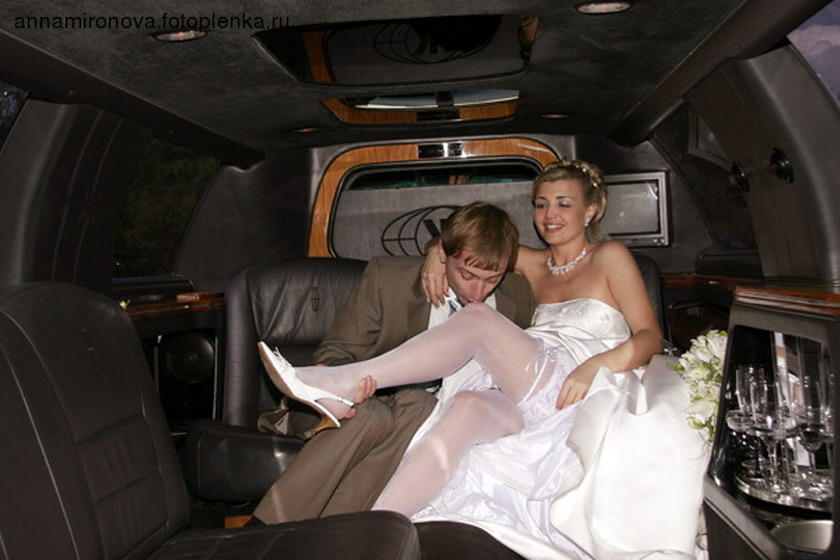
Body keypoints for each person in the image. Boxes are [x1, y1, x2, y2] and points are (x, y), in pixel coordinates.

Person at [259, 160, 695, 559]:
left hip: (581, 379)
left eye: (564, 203)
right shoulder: (531, 262)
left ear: (591, 209)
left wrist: (594, 367)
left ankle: (340, 383)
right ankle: (375, 539)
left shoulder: (610, 257)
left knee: (478, 318)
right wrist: (436, 254)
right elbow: (468, 245)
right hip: (522, 388)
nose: (550, 215)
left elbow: (650, 337)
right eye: (541, 204)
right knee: (465, 407)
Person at [252, 202, 535, 524]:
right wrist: (355, 390)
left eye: (492, 278)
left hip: (443, 415)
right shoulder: (390, 280)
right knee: (375, 415)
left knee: (417, 406)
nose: (478, 291)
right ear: (443, 254)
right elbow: (335, 354)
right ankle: (274, 527)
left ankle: (324, 534)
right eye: (467, 275)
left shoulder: (518, 296)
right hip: (363, 403)